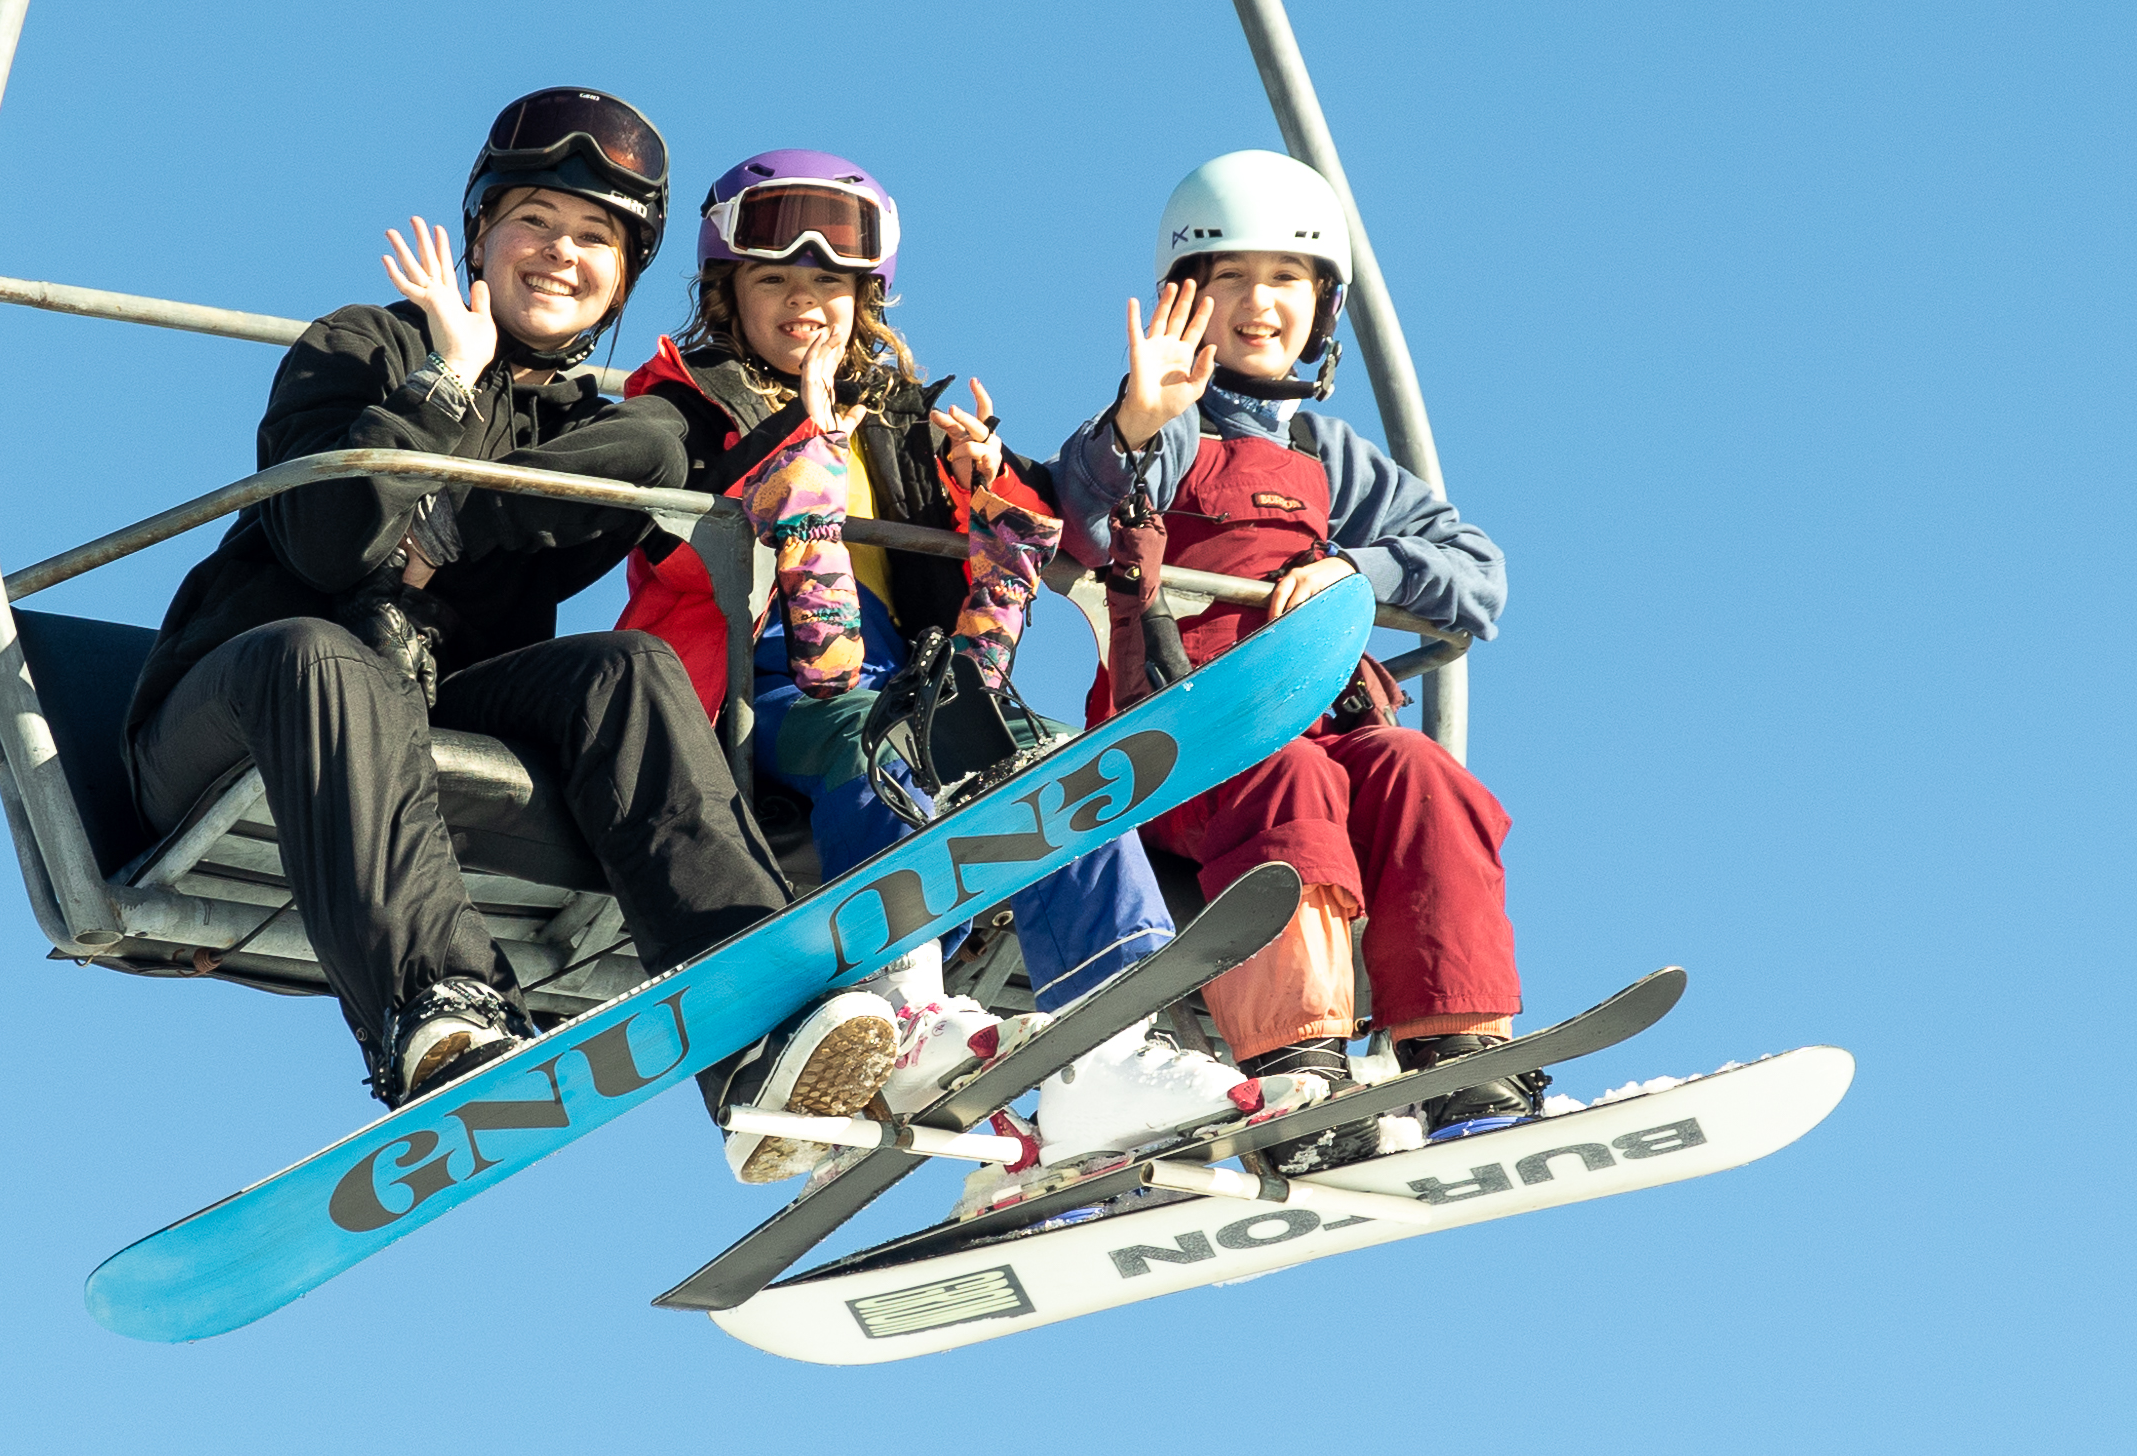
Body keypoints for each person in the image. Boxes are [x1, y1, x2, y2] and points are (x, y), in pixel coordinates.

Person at [118, 90, 890, 1130]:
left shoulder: (588, 427)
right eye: (537, 219)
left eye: (596, 237)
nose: (561, 252)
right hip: (240, 707)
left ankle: (753, 1015)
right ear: (482, 230)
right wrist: (446, 377)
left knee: (626, 667)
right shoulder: (366, 346)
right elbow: (328, 545)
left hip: (434, 710)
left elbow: (691, 459)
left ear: (624, 275)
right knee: (325, 651)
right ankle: (440, 1006)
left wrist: (824, 427)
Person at [617, 152, 1236, 1179]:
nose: (803, 305)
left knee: (1047, 757)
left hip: (902, 664)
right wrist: (798, 437)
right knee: (882, 744)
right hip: (748, 677)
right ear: (727, 294)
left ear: (867, 302)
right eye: (774, 281)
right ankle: (905, 1001)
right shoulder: (682, 401)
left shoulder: (894, 422)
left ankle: (1109, 1041)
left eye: (829, 286)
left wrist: (986, 489)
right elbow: (671, 535)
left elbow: (988, 590)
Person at [1046, 149, 1546, 1155]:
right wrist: (1137, 423)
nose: (1257, 303)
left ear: (1323, 306)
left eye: (1285, 279)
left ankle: (1456, 1044)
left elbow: (1477, 572)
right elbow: (1081, 515)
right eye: (1228, 278)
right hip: (1186, 747)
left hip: (1317, 729)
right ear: (1186, 300)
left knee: (1417, 770)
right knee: (1289, 773)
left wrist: (1360, 570)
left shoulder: (1329, 455)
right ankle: (1294, 1056)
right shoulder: (1171, 428)